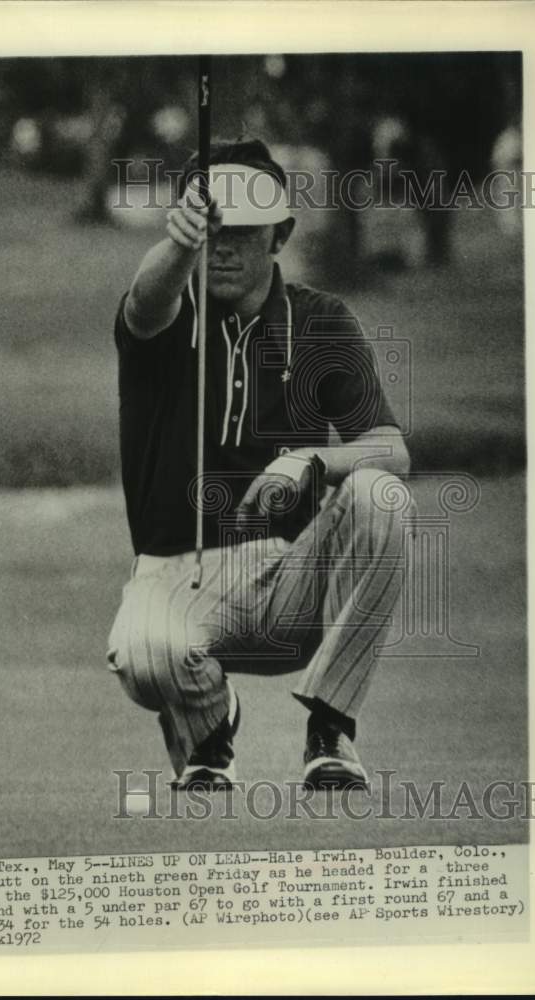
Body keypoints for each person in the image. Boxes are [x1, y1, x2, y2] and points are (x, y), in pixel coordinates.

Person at [107, 138, 413, 791]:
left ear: (280, 235)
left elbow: (392, 449)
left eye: (241, 232)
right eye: (211, 232)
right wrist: (178, 245)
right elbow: (145, 301)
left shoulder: (321, 321)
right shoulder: (170, 316)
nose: (222, 248)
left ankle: (330, 726)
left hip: (289, 579)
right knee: (143, 656)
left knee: (380, 494)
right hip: (177, 575)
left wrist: (312, 458)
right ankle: (209, 729)